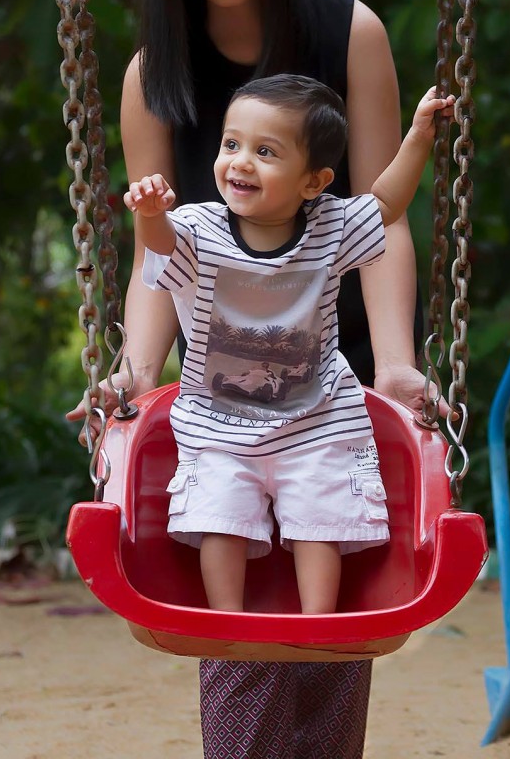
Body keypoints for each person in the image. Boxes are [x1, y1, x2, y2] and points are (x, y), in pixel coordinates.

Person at [67, 0, 447, 759]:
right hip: (224, 369)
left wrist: (394, 364)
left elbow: (381, 215)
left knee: (332, 617)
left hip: (334, 350)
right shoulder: (155, 71)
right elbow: (158, 250)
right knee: (229, 597)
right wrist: (132, 373)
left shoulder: (345, 30)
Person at [123, 74, 454, 615]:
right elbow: (162, 245)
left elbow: (388, 203)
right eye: (231, 144)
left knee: (319, 524)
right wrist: (151, 214)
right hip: (219, 425)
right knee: (219, 522)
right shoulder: (198, 228)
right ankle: (225, 620)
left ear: (313, 182)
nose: (240, 162)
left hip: (315, 421)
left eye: (265, 151)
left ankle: (315, 623)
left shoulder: (331, 227)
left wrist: (419, 134)